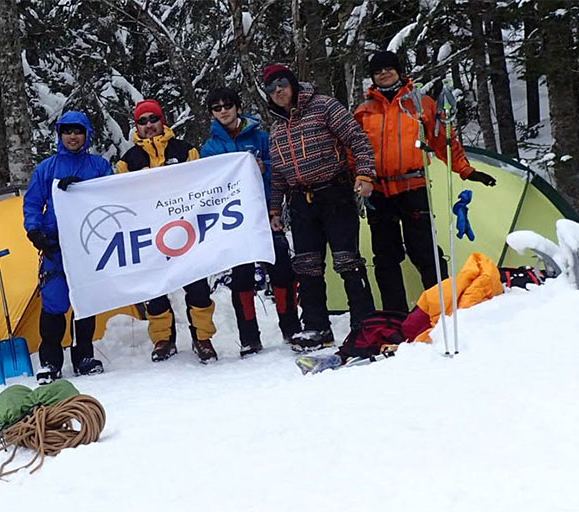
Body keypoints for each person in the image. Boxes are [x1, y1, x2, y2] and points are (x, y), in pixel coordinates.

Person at [354, 50, 497, 313]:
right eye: (378, 71)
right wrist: (355, 180)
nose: (384, 73)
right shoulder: (364, 111)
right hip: (379, 193)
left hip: (413, 187)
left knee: (425, 252)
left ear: (399, 70)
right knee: (385, 257)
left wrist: (465, 170)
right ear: (372, 77)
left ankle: (443, 309)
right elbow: (355, 151)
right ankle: (395, 315)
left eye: (389, 68)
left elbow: (444, 141)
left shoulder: (421, 104)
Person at [263, 64, 377, 352]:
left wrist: (364, 174)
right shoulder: (276, 129)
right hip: (301, 202)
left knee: (347, 261)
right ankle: (316, 327)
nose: (278, 91)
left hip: (335, 192)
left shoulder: (324, 106)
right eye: (271, 88)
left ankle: (364, 323)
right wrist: (275, 210)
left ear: (292, 84)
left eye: (281, 84)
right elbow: (278, 174)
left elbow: (357, 138)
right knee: (307, 267)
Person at [199, 87, 302, 356]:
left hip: (265, 212)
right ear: (212, 113)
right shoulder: (210, 147)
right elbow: (207, 185)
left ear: (237, 107)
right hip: (233, 221)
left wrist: (264, 168)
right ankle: (249, 338)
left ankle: (291, 329)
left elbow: (280, 169)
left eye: (227, 105)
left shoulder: (261, 137)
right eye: (217, 107)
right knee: (242, 276)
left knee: (281, 268)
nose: (223, 111)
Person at [115, 99, 219, 364]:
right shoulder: (127, 161)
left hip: (186, 230)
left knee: (198, 288)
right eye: (143, 121)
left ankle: (202, 338)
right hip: (150, 235)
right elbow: (120, 198)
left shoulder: (185, 150)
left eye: (153, 119)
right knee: (154, 290)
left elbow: (203, 184)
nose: (149, 125)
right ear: (136, 126)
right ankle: (163, 339)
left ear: (163, 121)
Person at [23, 111, 112, 384]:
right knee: (54, 302)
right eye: (67, 131)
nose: (72, 137)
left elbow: (111, 196)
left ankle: (83, 356)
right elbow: (33, 202)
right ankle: (50, 361)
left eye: (78, 131)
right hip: (55, 245)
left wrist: (84, 189)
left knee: (84, 301)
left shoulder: (98, 166)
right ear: (60, 135)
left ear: (87, 134)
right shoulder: (47, 168)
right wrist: (35, 230)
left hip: (87, 244)